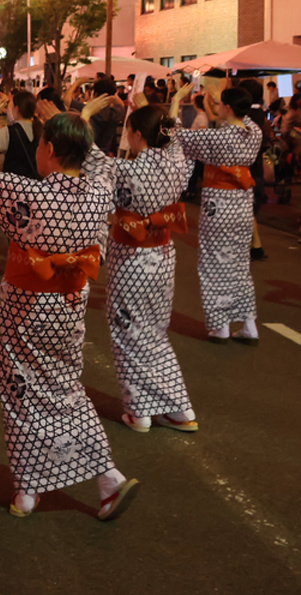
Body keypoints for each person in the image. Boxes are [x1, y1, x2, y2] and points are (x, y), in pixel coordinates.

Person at [0, 94, 140, 521]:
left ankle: (37, 487)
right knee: (64, 387)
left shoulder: (29, 194)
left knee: (22, 390)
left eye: (40, 144)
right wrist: (81, 119)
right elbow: (101, 162)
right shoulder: (99, 192)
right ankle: (98, 478)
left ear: (48, 150)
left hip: (28, 303)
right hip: (70, 304)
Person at [108, 85, 199, 432]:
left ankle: (142, 411)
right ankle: (177, 409)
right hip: (163, 254)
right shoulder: (178, 158)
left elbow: (88, 159)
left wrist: (82, 119)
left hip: (132, 257)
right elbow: (173, 137)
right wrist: (167, 107)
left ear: (135, 134)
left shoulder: (126, 170)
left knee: (129, 331)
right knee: (155, 331)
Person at [174, 84, 262, 344]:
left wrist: (177, 101)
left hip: (219, 207)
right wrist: (215, 104)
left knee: (214, 265)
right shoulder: (254, 131)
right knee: (239, 266)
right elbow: (231, 120)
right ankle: (249, 325)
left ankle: (221, 325)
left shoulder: (218, 138)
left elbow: (174, 134)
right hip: (243, 205)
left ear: (227, 107)